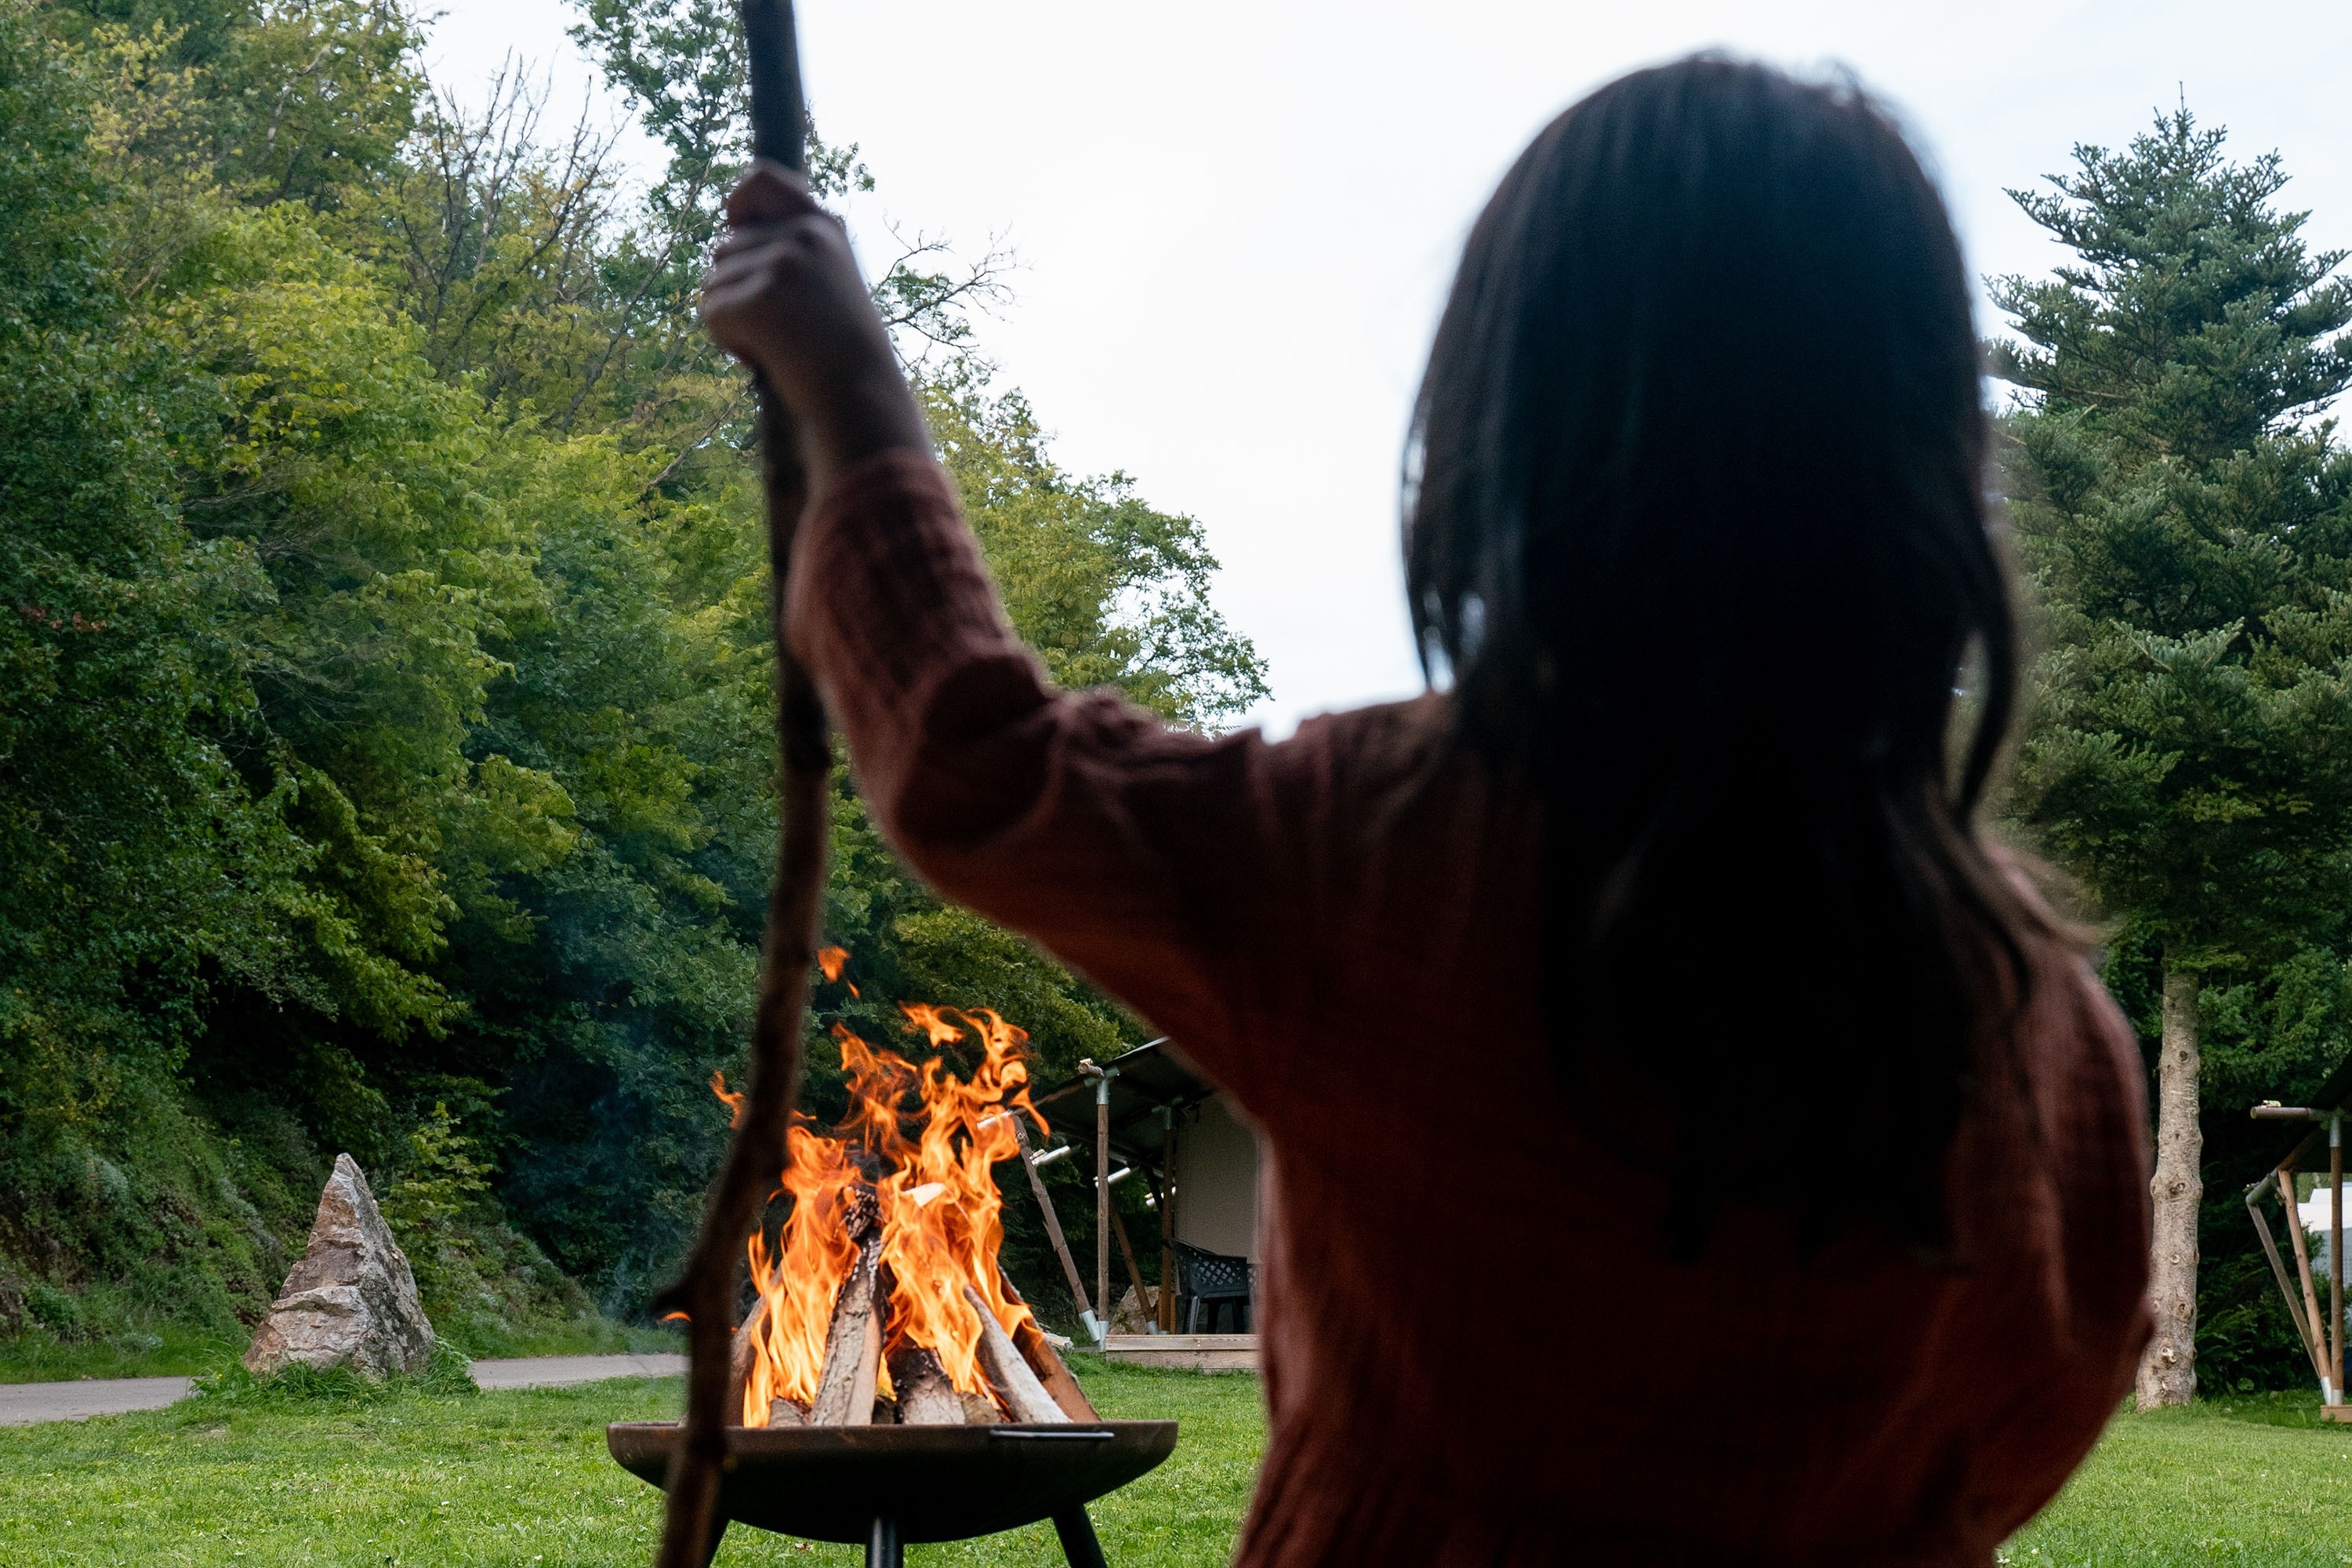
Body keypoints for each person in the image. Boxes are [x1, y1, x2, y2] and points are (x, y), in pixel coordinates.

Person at [702, 53, 2151, 1568]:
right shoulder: (2037, 1026)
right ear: (1925, 492)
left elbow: (984, 767)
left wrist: (851, 392)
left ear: (1500, 447)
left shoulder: (1395, 855)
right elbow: (2040, 1404)